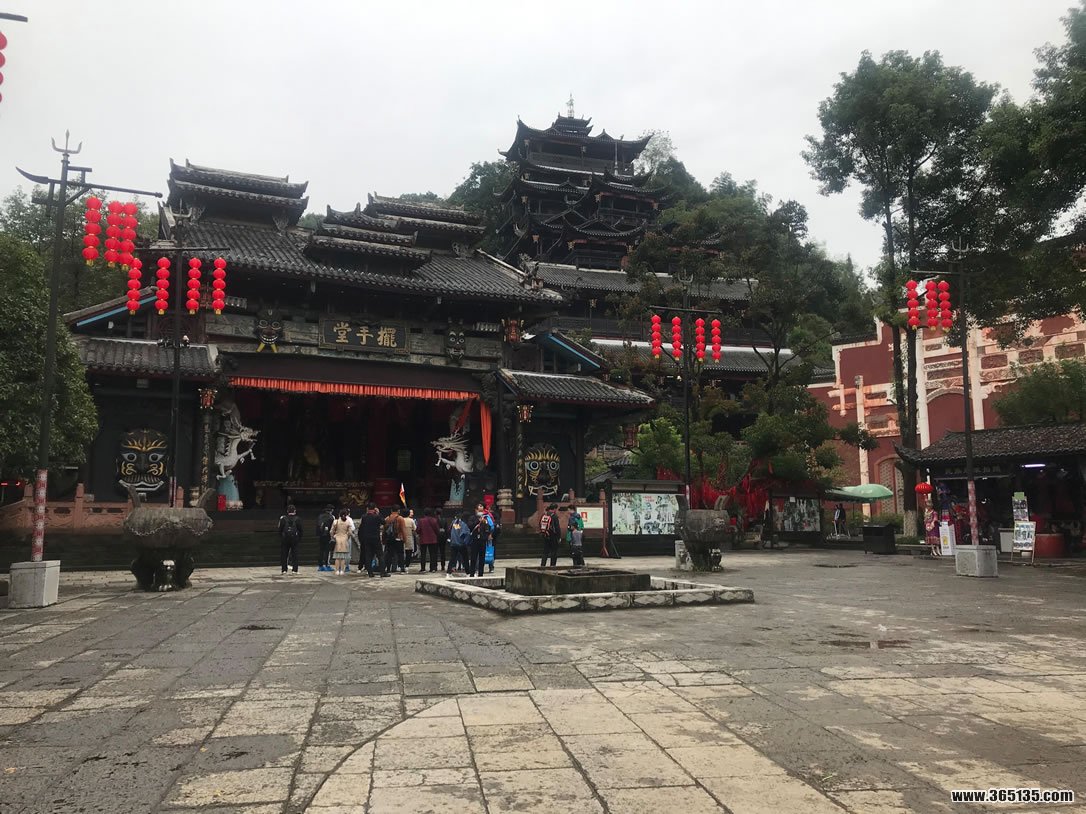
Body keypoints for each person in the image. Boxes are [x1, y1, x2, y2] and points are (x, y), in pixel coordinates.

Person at [359, 502, 386, 577]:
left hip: (367, 538)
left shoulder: (364, 517)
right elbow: (384, 522)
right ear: (375, 509)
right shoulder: (376, 516)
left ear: (367, 508)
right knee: (380, 555)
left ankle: (370, 573)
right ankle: (382, 572)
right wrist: (378, 513)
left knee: (368, 555)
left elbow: (362, 527)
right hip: (376, 538)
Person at [468, 505, 494, 577]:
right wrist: (478, 521)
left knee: (482, 557)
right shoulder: (472, 518)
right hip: (475, 539)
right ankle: (472, 572)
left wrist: (486, 536)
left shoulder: (485, 518)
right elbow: (470, 526)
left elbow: (488, 528)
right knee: (473, 557)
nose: (480, 512)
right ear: (476, 510)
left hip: (482, 540)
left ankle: (481, 573)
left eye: (482, 511)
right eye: (479, 511)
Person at [277, 504, 303, 574]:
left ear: (287, 511)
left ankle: (284, 570)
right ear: (295, 511)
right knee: (295, 554)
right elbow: (300, 530)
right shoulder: (297, 519)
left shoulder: (283, 519)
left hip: (285, 538)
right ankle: (295, 570)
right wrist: (299, 538)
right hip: (294, 539)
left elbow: (280, 529)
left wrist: (281, 537)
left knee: (284, 554)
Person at [416, 508, 441, 573]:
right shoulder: (434, 520)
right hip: (433, 539)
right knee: (432, 554)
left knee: (423, 554)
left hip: (423, 539)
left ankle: (423, 568)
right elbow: (437, 530)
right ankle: (432, 568)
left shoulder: (421, 520)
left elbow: (418, 530)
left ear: (424, 513)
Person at [383, 507, 407, 574]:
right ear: (398, 511)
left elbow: (384, 530)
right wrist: (405, 539)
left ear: (391, 510)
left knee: (389, 554)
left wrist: (383, 539)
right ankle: (402, 568)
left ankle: (388, 568)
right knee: (400, 554)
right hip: (398, 538)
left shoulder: (387, 518)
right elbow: (403, 529)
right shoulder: (400, 518)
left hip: (389, 539)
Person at [446, 511, 471, 576]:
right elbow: (465, 534)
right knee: (465, 559)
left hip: (453, 543)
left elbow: (450, 531)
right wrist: (466, 542)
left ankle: (448, 573)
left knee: (452, 559)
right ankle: (468, 573)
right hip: (461, 543)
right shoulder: (464, 524)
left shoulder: (454, 522)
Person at [329, 509, 353, 575]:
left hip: (337, 539)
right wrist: (347, 537)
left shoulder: (336, 521)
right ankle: (342, 570)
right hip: (344, 540)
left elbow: (331, 531)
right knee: (343, 557)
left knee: (337, 557)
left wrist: (333, 536)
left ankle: (337, 570)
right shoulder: (348, 522)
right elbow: (350, 532)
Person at [540, 503, 561, 567]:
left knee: (545, 552)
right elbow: (557, 528)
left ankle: (543, 565)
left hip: (545, 535)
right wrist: (559, 537)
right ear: (554, 509)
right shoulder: (554, 516)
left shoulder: (544, 515)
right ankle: (552, 565)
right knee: (554, 551)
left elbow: (540, 524)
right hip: (553, 536)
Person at [315, 504, 335, 572]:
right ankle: (327, 564)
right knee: (327, 551)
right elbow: (333, 527)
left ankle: (320, 565)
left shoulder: (320, 516)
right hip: (328, 535)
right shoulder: (331, 517)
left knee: (321, 550)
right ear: (331, 510)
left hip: (321, 535)